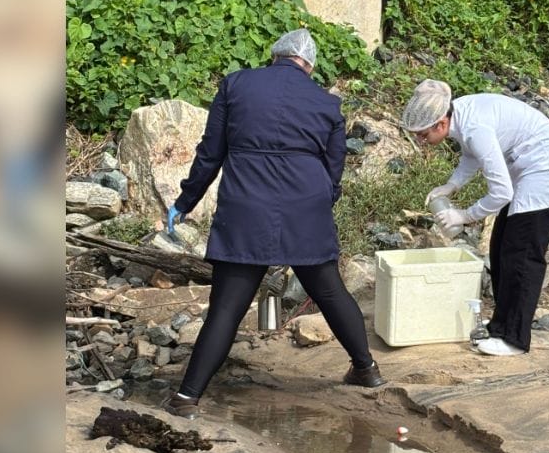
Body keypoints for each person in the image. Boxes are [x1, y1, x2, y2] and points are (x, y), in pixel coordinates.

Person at [161, 29, 385, 419]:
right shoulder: (326, 103)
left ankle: (186, 397)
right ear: (309, 65)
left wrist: (185, 200)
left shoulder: (236, 85)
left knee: (227, 308)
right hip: (307, 207)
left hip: (246, 206)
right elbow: (334, 172)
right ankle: (366, 370)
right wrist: (318, 205)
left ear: (275, 56)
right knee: (330, 291)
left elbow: (210, 153)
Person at [402, 80, 549, 357]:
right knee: (499, 250)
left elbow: (500, 193)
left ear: (440, 123)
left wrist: (464, 216)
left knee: (521, 255)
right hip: (527, 168)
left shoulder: (474, 128)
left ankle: (514, 338)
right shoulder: (459, 115)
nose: (420, 141)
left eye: (423, 135)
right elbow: (471, 156)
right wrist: (452, 185)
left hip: (548, 171)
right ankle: (501, 324)